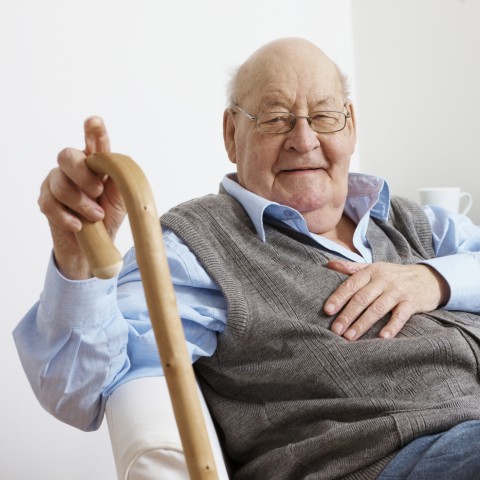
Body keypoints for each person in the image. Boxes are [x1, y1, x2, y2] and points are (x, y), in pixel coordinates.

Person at [13, 37, 480, 479]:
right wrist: (77, 260)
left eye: (323, 116)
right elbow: (82, 389)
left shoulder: (413, 222)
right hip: (386, 460)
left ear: (351, 124)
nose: (303, 138)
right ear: (231, 134)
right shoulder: (194, 247)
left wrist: (432, 279)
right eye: (275, 118)